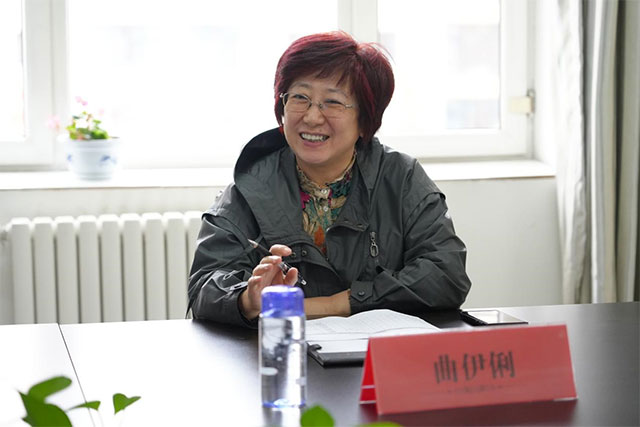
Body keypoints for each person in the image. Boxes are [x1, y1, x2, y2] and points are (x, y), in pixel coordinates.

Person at [188, 31, 471, 327]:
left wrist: (334, 304)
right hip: (281, 348)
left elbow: (446, 274)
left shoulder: (400, 178)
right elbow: (205, 286)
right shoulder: (251, 185)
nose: (312, 117)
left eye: (333, 102)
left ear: (365, 121)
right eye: (300, 97)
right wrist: (248, 298)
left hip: (378, 351)